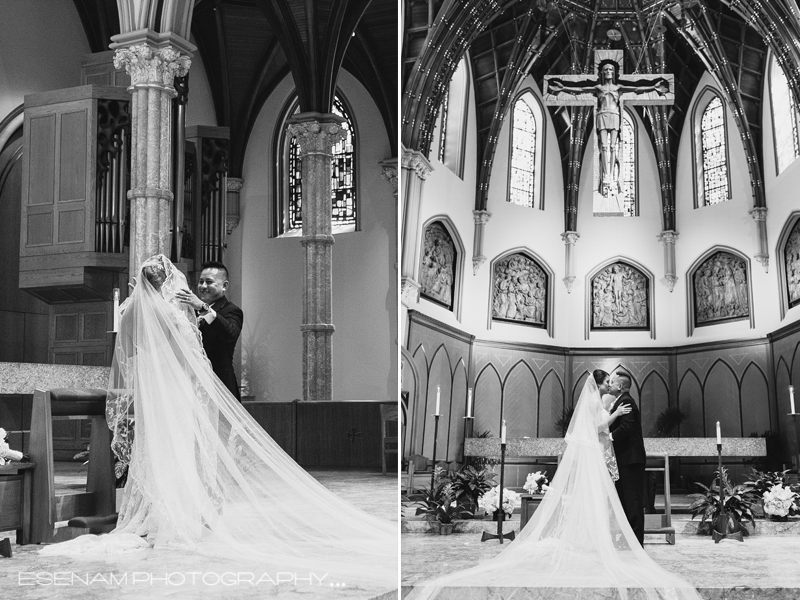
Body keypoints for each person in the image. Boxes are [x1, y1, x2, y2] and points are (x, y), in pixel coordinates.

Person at [40, 255, 396, 595]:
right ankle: (181, 511)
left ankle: (195, 509)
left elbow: (220, 337)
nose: (201, 284)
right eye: (196, 280)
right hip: (180, 389)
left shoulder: (215, 310)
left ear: (224, 285)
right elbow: (182, 350)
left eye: (210, 282)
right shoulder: (167, 309)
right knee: (178, 449)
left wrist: (196, 308)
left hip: (194, 388)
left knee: (195, 452)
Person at [406, 371, 700, 600]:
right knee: (599, 498)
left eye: (613, 380)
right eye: (607, 380)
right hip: (598, 455)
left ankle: (601, 538)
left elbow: (604, 430)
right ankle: (597, 540)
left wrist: (610, 425)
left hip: (604, 457)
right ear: (601, 385)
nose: (610, 383)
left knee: (602, 499)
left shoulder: (612, 401)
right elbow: (596, 428)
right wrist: (611, 420)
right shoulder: (603, 404)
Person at [548, 60, 668, 195]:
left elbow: (636, 89)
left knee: (613, 147)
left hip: (615, 116)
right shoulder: (598, 88)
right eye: (605, 70)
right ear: (602, 73)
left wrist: (654, 87)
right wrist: (562, 88)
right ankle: (606, 175)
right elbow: (580, 90)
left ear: (614, 72)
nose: (608, 72)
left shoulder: (619, 88)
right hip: (602, 115)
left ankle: (611, 175)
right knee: (604, 146)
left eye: (610, 69)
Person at [176, 261, 243, 401]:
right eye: (201, 282)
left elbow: (231, 334)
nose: (203, 286)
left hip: (220, 386)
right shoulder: (191, 310)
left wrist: (204, 309)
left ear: (224, 286)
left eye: (209, 282)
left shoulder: (232, 310)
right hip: (191, 387)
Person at [608, 369, 647, 546]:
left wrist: (607, 439)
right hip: (624, 459)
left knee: (633, 500)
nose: (610, 384)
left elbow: (627, 428)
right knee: (625, 500)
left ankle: (636, 540)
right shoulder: (620, 402)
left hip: (631, 459)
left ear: (621, 386)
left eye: (613, 382)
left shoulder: (626, 402)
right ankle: (627, 538)